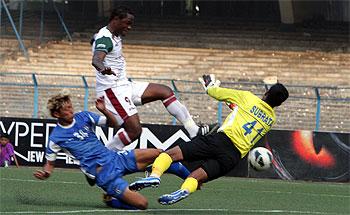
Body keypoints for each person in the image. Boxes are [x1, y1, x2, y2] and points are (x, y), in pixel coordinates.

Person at [129, 74, 289, 205]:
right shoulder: (270, 119)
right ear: (279, 104)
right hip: (233, 158)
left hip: (221, 140)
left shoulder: (247, 98)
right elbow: (250, 115)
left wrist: (209, 83)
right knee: (196, 177)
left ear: (266, 93)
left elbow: (214, 92)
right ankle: (184, 191)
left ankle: (155, 176)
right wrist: (235, 107)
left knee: (170, 155)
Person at [33, 93, 190, 210]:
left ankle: (188, 177)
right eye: (66, 109)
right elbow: (49, 164)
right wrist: (46, 173)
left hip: (115, 158)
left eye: (70, 106)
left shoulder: (84, 116)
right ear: (56, 114)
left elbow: (113, 124)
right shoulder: (56, 138)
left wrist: (104, 110)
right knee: (142, 204)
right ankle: (111, 201)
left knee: (159, 153)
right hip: (104, 174)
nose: (71, 111)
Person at [91, 6, 215, 151]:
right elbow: (96, 59)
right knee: (135, 131)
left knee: (165, 91)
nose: (129, 27)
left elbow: (94, 41)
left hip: (124, 85)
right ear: (116, 19)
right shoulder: (105, 39)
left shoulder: (109, 35)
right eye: (127, 23)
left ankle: (194, 131)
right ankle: (103, 159)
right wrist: (102, 68)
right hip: (111, 91)